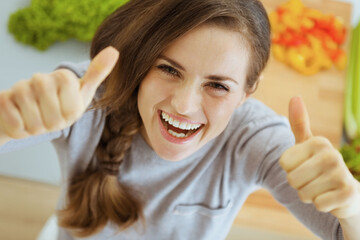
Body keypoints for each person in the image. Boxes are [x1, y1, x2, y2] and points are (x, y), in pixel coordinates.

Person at [0, 0, 359, 239]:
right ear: (141, 61)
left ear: (248, 92)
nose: (184, 105)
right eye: (169, 69)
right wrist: (7, 123)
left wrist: (351, 206)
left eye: (217, 85)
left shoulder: (254, 139)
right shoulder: (89, 97)